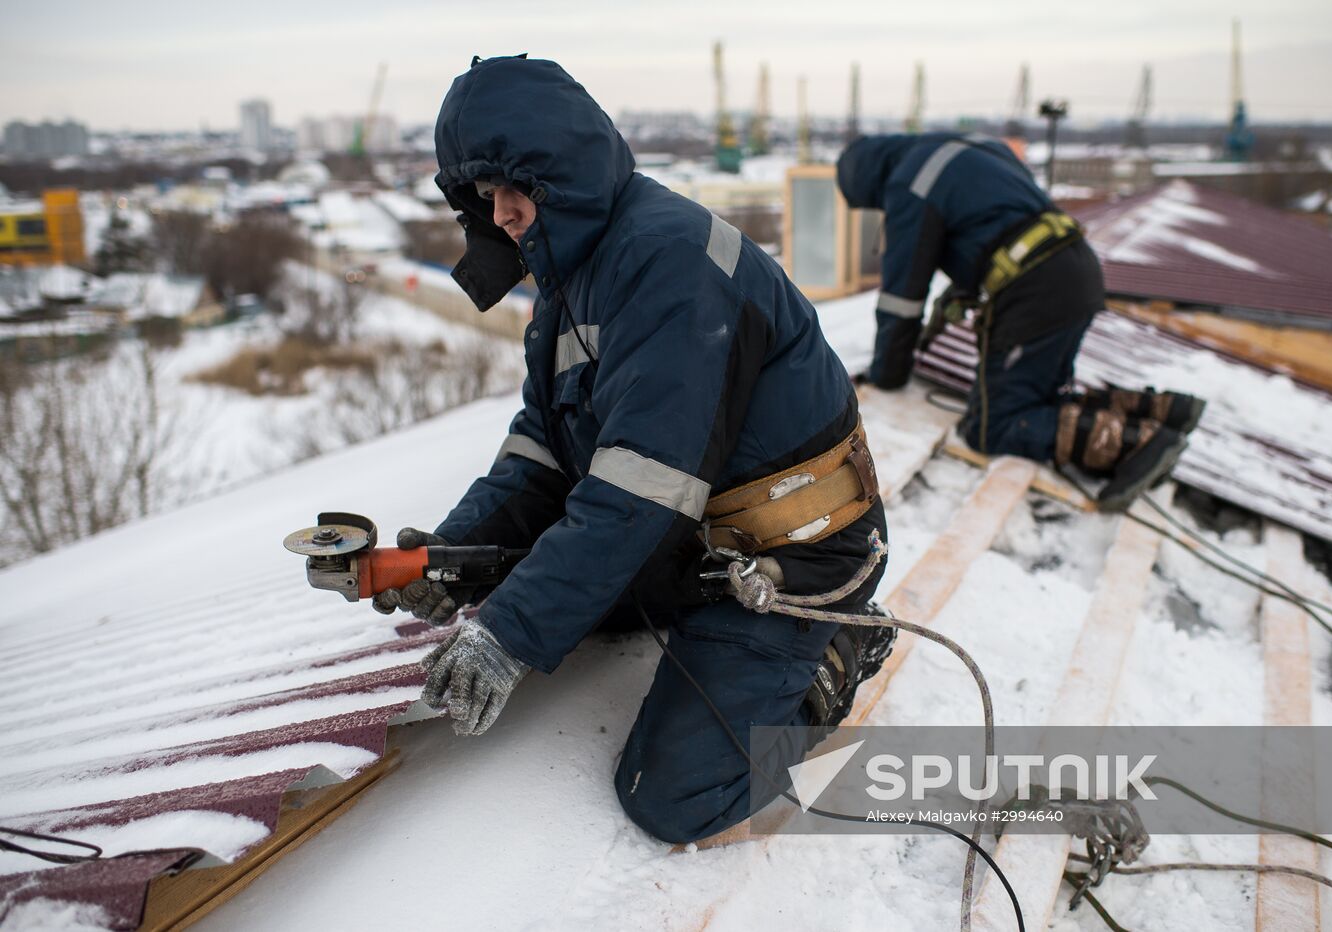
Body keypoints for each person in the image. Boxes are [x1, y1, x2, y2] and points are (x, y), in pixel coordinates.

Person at [372, 55, 893, 845]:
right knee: (533, 586)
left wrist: (508, 635)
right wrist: (457, 550)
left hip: (791, 554)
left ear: (571, 175)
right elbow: (544, 451)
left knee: (674, 795)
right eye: (487, 196)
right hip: (690, 540)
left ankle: (840, 649)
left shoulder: (667, 261)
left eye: (524, 190)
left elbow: (637, 489)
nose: (506, 213)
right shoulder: (568, 284)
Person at [836, 133, 1204, 511]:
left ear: (868, 183)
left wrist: (887, 376)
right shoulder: (971, 149)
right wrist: (964, 285)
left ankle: (1138, 444)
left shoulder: (909, 185)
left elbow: (901, 300)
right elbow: (995, 223)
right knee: (1039, 398)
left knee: (990, 427)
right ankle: (1164, 411)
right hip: (1075, 268)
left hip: (1036, 290)